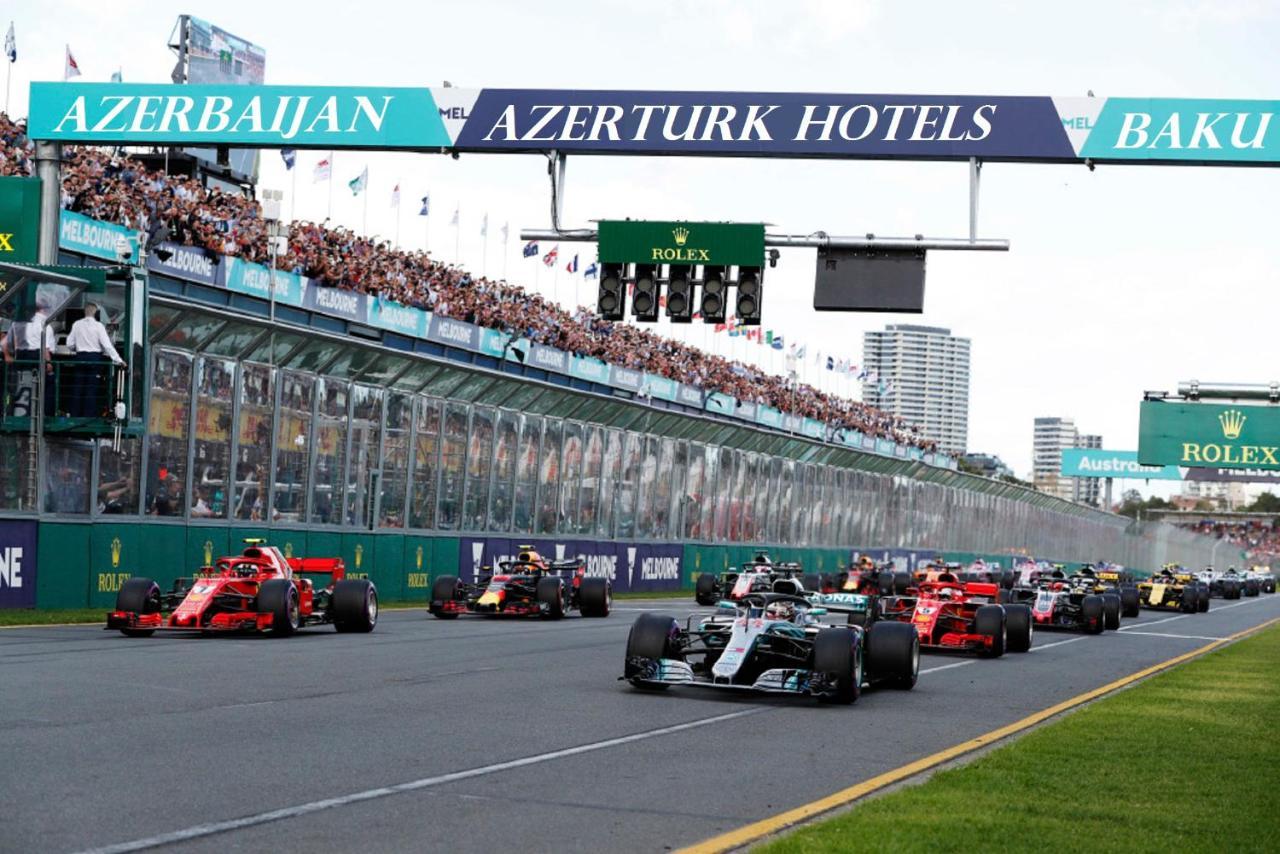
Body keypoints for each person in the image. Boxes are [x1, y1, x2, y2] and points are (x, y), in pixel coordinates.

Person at [65, 302, 125, 418]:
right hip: (95, 359)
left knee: (77, 388)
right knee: (91, 389)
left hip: (80, 358)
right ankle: (88, 416)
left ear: (84, 312)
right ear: (96, 313)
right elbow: (107, 345)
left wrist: (77, 348)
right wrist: (119, 360)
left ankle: (74, 415)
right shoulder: (99, 326)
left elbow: (69, 344)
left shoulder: (77, 324)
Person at [1, 294, 57, 416]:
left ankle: (16, 413)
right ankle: (43, 415)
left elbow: (5, 342)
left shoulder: (18, 322)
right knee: (45, 386)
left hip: (20, 357)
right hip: (37, 357)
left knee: (19, 385)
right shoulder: (45, 323)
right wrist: (48, 363)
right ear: (43, 308)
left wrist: (7, 355)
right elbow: (45, 348)